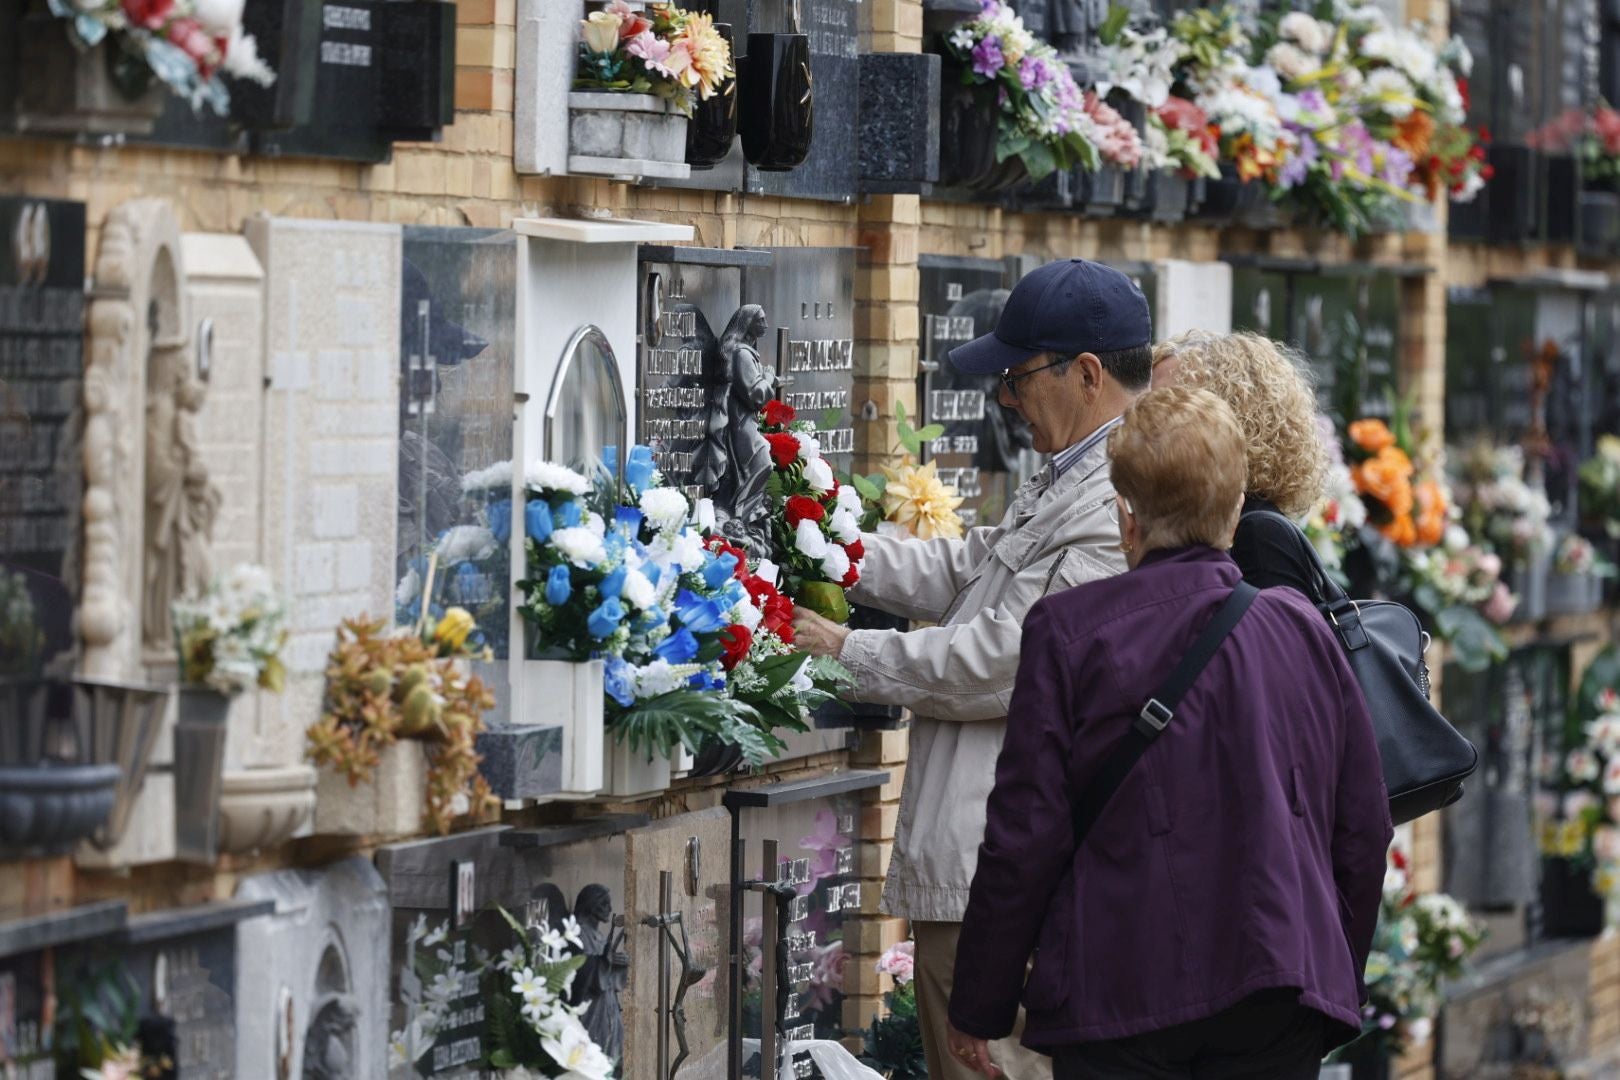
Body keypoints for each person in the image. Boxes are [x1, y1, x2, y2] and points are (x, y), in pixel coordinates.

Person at [944, 386, 1392, 1080]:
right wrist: (1334, 980)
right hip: (1274, 989)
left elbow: (1024, 836)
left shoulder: (1070, 633)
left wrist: (981, 1005)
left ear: (1126, 516)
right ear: (1236, 510)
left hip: (1117, 994)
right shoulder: (1300, 628)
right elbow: (1363, 825)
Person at [793, 259, 1154, 1080]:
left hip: (996, 873)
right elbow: (969, 567)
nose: (1005, 399)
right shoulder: (1078, 472)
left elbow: (1007, 662)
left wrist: (845, 649)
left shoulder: (1115, 499)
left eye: (1020, 376)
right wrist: (838, 550)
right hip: (977, 867)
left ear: (1087, 374)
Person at [1152, 330, 1328, 597]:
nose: (1146, 424)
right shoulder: (1210, 519)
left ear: (1229, 418)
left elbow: (1273, 637)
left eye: (1170, 409)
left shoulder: (1257, 534)